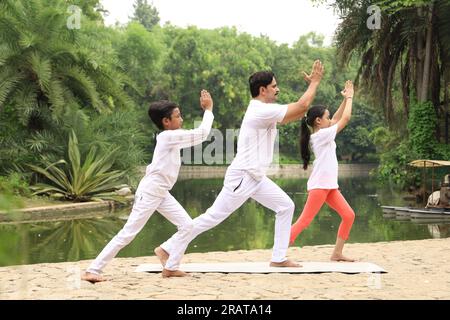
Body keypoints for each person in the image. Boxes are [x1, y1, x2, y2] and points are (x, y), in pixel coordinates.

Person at [155, 60, 324, 275]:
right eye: (274, 86)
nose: (278, 89)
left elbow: (299, 112)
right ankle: (167, 248)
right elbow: (301, 107)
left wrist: (310, 89)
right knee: (212, 217)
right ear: (263, 90)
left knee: (285, 206)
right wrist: (315, 82)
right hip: (243, 176)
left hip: (255, 177)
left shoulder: (266, 110)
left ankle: (279, 258)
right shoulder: (259, 110)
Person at [81, 90, 214, 282]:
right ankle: (93, 270)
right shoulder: (167, 137)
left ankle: (170, 264)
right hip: (151, 191)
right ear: (166, 122)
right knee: (128, 233)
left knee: (187, 225)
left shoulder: (172, 138)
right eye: (178, 116)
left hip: (161, 192)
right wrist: (208, 109)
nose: (182, 119)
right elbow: (201, 134)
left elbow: (197, 137)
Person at [289, 80, 356, 262]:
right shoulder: (321, 135)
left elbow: (335, 118)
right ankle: (279, 250)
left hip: (330, 186)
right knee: (304, 221)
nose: (330, 119)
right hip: (320, 186)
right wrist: (350, 98)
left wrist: (343, 101)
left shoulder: (323, 133)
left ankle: (337, 253)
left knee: (349, 215)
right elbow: (345, 119)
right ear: (318, 121)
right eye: (326, 117)